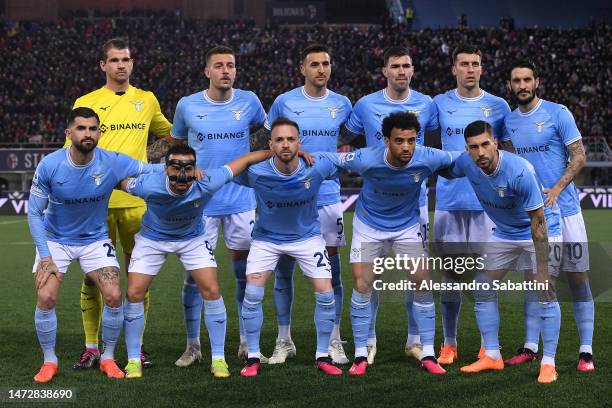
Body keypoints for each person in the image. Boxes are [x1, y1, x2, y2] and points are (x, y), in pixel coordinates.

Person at [28, 107, 164, 383]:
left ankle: (108, 357)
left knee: (114, 294)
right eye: (81, 128)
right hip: (56, 240)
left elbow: (150, 168)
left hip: (94, 240)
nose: (87, 133)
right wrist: (45, 256)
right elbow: (33, 213)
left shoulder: (112, 161)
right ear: (69, 133)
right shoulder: (50, 165)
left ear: (99, 133)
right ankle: (49, 361)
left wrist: (184, 166)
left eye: (92, 128)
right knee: (46, 297)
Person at [119, 145, 274, 379]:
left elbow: (243, 160)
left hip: (192, 239)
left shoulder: (207, 181)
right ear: (166, 168)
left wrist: (279, 151)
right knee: (134, 293)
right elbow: (118, 181)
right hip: (153, 239)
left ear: (195, 169)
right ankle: (132, 360)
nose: (181, 174)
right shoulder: (148, 184)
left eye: (188, 168)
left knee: (211, 290)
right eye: (175, 167)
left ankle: (218, 359)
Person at [67, 38, 172, 370]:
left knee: (137, 275)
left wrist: (146, 158)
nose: (121, 65)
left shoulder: (147, 99)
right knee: (91, 277)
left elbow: (169, 136)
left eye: (126, 59)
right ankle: (91, 347)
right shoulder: (86, 101)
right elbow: (72, 150)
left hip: (137, 203)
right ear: (103, 65)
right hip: (93, 204)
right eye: (114, 60)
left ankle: (135, 347)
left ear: (132, 62)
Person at [170, 45, 268, 366]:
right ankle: (193, 345)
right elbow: (178, 146)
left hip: (241, 202)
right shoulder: (187, 106)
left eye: (231, 65)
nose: (226, 70)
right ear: (207, 71)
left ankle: (244, 342)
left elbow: (261, 136)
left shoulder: (250, 101)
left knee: (246, 274)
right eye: (219, 66)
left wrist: (244, 162)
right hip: (200, 205)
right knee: (195, 277)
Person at [338, 111, 455, 375]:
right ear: (387, 140)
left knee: (423, 283)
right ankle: (360, 353)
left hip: (407, 228)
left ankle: (427, 353)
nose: (406, 147)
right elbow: (331, 161)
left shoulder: (426, 156)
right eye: (400, 141)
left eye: (411, 140)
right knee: (363, 284)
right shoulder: (367, 158)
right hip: (368, 228)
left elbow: (460, 159)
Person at [449, 120, 561, 384]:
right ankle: (491, 355)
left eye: (485, 144)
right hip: (505, 232)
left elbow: (538, 223)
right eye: (473, 147)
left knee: (543, 289)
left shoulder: (519, 171)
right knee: (482, 286)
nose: (481, 153)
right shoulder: (467, 163)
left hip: (541, 228)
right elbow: (443, 167)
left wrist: (543, 271)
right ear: (467, 149)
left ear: (496, 143)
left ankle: (548, 363)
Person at [345, 46, 438, 363]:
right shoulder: (365, 105)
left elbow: (431, 148)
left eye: (407, 65)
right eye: (395, 66)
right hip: (375, 202)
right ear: (384, 71)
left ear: (413, 70)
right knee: (370, 279)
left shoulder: (427, 104)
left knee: (417, 277)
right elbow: (351, 140)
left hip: (415, 204)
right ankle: (368, 340)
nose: (401, 71)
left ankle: (414, 340)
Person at [262, 44, 352, 365]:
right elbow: (270, 142)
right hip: (288, 195)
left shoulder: (342, 104)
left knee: (332, 271)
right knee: (283, 267)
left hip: (327, 195)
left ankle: (334, 339)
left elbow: (350, 140)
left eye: (326, 63)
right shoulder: (284, 102)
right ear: (303, 68)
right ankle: (284, 340)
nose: (321, 69)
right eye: (314, 64)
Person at [503, 59, 594, 371]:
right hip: (534, 215)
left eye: (527, 79)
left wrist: (555, 189)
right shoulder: (510, 123)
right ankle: (530, 346)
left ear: (536, 81)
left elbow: (580, 154)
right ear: (510, 86)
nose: (522, 86)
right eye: (517, 81)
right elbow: (511, 165)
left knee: (578, 277)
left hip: (566, 211)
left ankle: (586, 351)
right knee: (535, 281)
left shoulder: (558, 113)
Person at [236, 117, 342, 377]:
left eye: (291, 139)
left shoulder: (317, 167)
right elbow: (228, 170)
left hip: (307, 238)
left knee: (326, 293)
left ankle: (322, 355)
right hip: (266, 239)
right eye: (280, 140)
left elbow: (357, 161)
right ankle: (252, 357)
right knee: (252, 294)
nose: (285, 144)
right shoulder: (255, 172)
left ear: (300, 143)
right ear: (270, 144)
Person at [431, 44, 511, 365]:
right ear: (454, 69)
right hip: (449, 202)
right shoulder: (438, 104)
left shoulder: (499, 105)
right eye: (463, 64)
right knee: (449, 278)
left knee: (485, 277)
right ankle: (449, 344)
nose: (469, 69)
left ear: (481, 68)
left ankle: (488, 346)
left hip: (487, 205)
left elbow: (508, 152)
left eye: (475, 64)